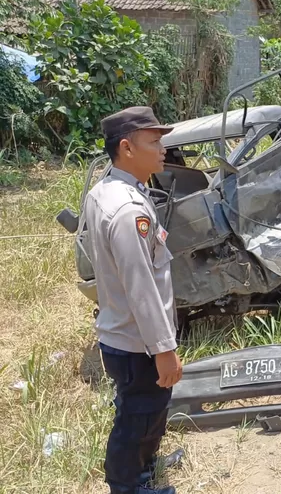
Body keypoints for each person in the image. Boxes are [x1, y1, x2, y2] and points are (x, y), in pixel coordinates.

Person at [85, 106, 185, 494]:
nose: (163, 148)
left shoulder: (109, 189)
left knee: (149, 411)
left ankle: (145, 464)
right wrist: (163, 348)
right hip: (137, 341)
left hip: (126, 332)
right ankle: (128, 484)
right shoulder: (127, 210)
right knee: (137, 416)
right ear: (126, 148)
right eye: (155, 141)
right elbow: (140, 285)